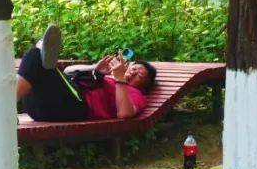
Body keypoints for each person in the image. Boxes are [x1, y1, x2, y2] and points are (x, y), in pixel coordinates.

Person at [11, 24, 157, 123]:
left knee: (36, 56)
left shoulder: (137, 95)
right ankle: (41, 51)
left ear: (144, 86)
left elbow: (125, 113)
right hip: (40, 106)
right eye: (134, 68)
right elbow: (68, 71)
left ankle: (7, 106)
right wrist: (94, 69)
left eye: (139, 75)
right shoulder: (108, 79)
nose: (133, 73)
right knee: (35, 56)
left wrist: (120, 78)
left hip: (76, 107)